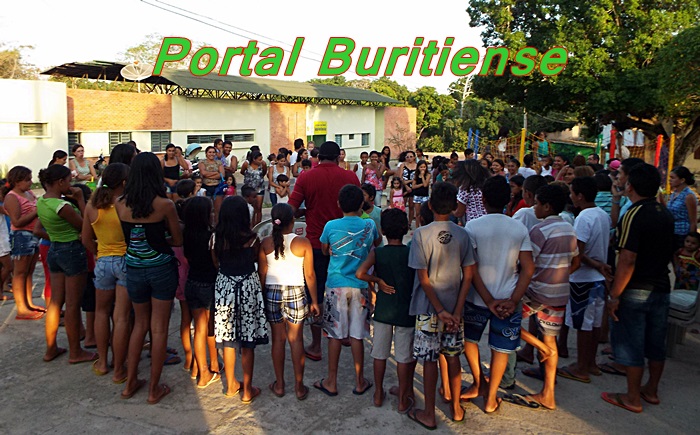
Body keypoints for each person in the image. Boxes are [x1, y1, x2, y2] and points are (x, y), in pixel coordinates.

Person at [602, 163, 675, 413]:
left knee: (631, 344)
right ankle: (651, 390)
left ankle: (632, 397)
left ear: (630, 186)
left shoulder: (634, 213)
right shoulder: (664, 212)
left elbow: (627, 259)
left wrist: (615, 295)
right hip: (660, 286)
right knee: (655, 344)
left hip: (636, 288)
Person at [461, 176, 534, 414]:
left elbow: (471, 267)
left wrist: (488, 300)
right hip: (508, 298)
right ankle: (491, 398)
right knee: (501, 348)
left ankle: (478, 382)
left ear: (482, 199)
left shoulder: (473, 227)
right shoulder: (518, 228)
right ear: (509, 199)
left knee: (470, 340)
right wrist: (513, 300)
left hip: (477, 298)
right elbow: (528, 269)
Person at [116, 152, 183, 405]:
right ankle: (154, 389)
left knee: (139, 325)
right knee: (159, 328)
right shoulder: (165, 205)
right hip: (161, 268)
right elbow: (177, 240)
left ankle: (130, 382)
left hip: (133, 268)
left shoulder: (120, 203)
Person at [406, 182, 474, 428]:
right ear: (455, 206)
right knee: (453, 357)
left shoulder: (421, 234)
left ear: (431, 205)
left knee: (429, 359)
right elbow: (469, 275)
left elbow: (423, 278)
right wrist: (455, 310)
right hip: (454, 308)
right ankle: (456, 407)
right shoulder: (463, 234)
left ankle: (429, 413)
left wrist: (440, 311)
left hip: (428, 308)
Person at [506, 185, 579, 411]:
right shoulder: (569, 228)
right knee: (551, 340)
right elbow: (576, 260)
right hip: (559, 293)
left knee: (506, 320)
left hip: (537, 292)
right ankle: (548, 392)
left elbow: (526, 263)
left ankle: (537, 348)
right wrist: (559, 276)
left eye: (537, 203)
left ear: (547, 206)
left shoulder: (540, 230)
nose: (534, 207)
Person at [288, 142, 361, 361]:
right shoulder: (350, 177)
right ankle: (345, 334)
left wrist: (306, 210)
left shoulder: (306, 177)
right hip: (346, 244)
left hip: (316, 244)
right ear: (339, 157)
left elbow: (291, 208)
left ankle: (317, 345)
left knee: (317, 294)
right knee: (346, 289)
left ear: (318, 157)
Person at [313, 185, 381, 397]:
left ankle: (331, 381)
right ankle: (360, 381)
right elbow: (377, 242)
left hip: (336, 285)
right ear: (362, 204)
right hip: (360, 286)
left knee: (334, 335)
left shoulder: (331, 225)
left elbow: (325, 250)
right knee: (357, 336)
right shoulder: (369, 224)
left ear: (338, 204)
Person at [259, 203, 319, 400]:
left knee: (278, 339)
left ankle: (280, 384)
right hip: (296, 291)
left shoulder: (266, 243)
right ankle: (299, 386)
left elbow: (262, 274)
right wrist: (314, 300)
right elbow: (310, 275)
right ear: (293, 221)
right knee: (296, 340)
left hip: (272, 292)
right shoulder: (303, 242)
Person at [36, 164, 95, 363]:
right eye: (69, 181)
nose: (71, 185)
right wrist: (80, 199)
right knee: (72, 304)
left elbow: (40, 229)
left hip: (55, 249)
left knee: (56, 302)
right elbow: (86, 225)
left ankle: (51, 348)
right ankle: (75, 352)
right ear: (60, 182)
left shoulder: (42, 201)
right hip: (71, 251)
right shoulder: (63, 207)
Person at [357, 208, 415, 410]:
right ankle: (403, 398)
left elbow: (360, 273)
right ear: (406, 229)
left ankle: (378, 393)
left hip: (383, 310)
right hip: (406, 310)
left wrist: (378, 281)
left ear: (382, 230)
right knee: (404, 357)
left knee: (379, 353)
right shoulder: (410, 253)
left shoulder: (378, 253)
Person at [213, 196, 268, 402]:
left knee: (228, 339)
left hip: (225, 286)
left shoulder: (216, 238)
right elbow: (261, 267)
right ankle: (247, 390)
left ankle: (230, 385)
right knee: (247, 340)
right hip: (248, 286)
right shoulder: (253, 239)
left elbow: (216, 263)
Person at [557, 177, 612, 383]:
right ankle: (590, 363)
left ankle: (581, 367)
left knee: (583, 324)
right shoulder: (603, 215)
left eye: (572, 193)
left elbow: (578, 254)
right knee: (594, 323)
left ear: (579, 196)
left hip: (583, 279)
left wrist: (590, 265)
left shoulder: (583, 218)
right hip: (597, 278)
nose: (571, 197)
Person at [80, 163, 131, 379]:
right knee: (121, 317)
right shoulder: (126, 204)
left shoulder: (92, 205)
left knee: (101, 312)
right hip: (125, 261)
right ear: (124, 183)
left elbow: (85, 239)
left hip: (103, 261)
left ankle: (102, 362)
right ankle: (119, 368)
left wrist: (99, 253)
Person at [182, 196, 221, 389]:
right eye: (211, 211)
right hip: (208, 284)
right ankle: (209, 369)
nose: (213, 214)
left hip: (192, 282)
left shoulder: (186, 234)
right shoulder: (211, 236)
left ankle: (199, 368)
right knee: (210, 329)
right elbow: (215, 262)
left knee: (199, 328)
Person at [3, 166, 44, 319]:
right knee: (20, 273)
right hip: (21, 235)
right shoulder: (12, 197)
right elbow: (17, 221)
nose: (30, 182)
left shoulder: (29, 193)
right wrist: (36, 211)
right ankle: (21, 308)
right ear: (17, 181)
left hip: (33, 235)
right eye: (27, 180)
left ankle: (28, 303)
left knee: (29, 271)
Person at [666, 166, 698, 250]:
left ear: (682, 180)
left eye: (673, 178)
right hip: (672, 232)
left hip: (682, 234)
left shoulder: (689, 196)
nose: (670, 180)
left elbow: (693, 221)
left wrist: (691, 239)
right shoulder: (674, 193)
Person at [452, 160, 489, 225]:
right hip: (488, 221)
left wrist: (450, 211)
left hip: (473, 223)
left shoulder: (465, 188)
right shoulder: (486, 185)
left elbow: (459, 213)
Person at [240, 150, 266, 226]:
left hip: (259, 187)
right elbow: (242, 172)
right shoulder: (246, 164)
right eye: (259, 159)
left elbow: (264, 172)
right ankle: (251, 224)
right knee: (251, 207)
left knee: (258, 207)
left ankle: (258, 224)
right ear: (254, 159)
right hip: (249, 188)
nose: (261, 161)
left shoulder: (263, 164)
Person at [198, 146, 225, 215]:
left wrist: (208, 175)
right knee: (207, 210)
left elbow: (222, 175)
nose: (212, 154)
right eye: (209, 152)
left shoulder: (218, 162)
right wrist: (216, 173)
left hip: (217, 187)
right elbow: (203, 173)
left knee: (218, 210)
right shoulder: (202, 162)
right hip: (206, 187)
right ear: (206, 153)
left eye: (213, 152)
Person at [399, 150, 417, 225]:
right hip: (404, 186)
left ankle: (409, 223)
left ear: (414, 157)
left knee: (411, 206)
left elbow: (417, 178)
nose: (409, 158)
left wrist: (411, 184)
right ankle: (402, 221)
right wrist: (406, 186)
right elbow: (400, 177)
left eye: (411, 157)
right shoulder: (402, 165)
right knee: (402, 205)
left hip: (413, 187)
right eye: (407, 157)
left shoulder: (417, 166)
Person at [412, 160, 431, 227]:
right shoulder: (416, 175)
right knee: (417, 213)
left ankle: (424, 226)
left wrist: (422, 176)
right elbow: (413, 186)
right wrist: (421, 184)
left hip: (424, 195)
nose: (423, 169)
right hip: (417, 195)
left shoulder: (428, 175)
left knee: (424, 212)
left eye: (424, 167)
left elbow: (425, 185)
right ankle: (417, 226)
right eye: (421, 167)